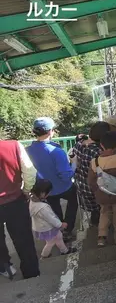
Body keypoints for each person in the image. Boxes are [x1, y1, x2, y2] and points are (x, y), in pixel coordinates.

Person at [26, 117, 77, 241]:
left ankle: (60, 230)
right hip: (63, 186)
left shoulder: (27, 151)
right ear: (50, 131)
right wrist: (74, 163)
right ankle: (68, 229)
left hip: (45, 190)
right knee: (73, 200)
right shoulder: (56, 150)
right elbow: (65, 175)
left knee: (54, 209)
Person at [0, 139, 39, 280]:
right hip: (15, 200)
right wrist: (27, 190)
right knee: (24, 239)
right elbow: (29, 171)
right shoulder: (14, 146)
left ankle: (5, 266)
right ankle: (31, 272)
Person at [88, 132, 116, 247]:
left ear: (101, 145)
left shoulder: (95, 162)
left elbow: (91, 181)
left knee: (104, 214)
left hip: (103, 195)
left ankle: (101, 238)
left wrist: (98, 191)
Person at [72, 122, 111, 227]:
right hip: (95, 191)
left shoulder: (78, 145)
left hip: (81, 189)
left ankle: (96, 218)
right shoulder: (97, 152)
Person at [29, 180, 76, 258]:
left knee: (58, 237)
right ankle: (45, 255)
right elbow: (51, 219)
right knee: (51, 242)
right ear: (43, 193)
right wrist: (61, 224)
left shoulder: (32, 200)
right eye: (49, 192)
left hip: (41, 227)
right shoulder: (43, 208)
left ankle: (64, 250)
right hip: (47, 228)